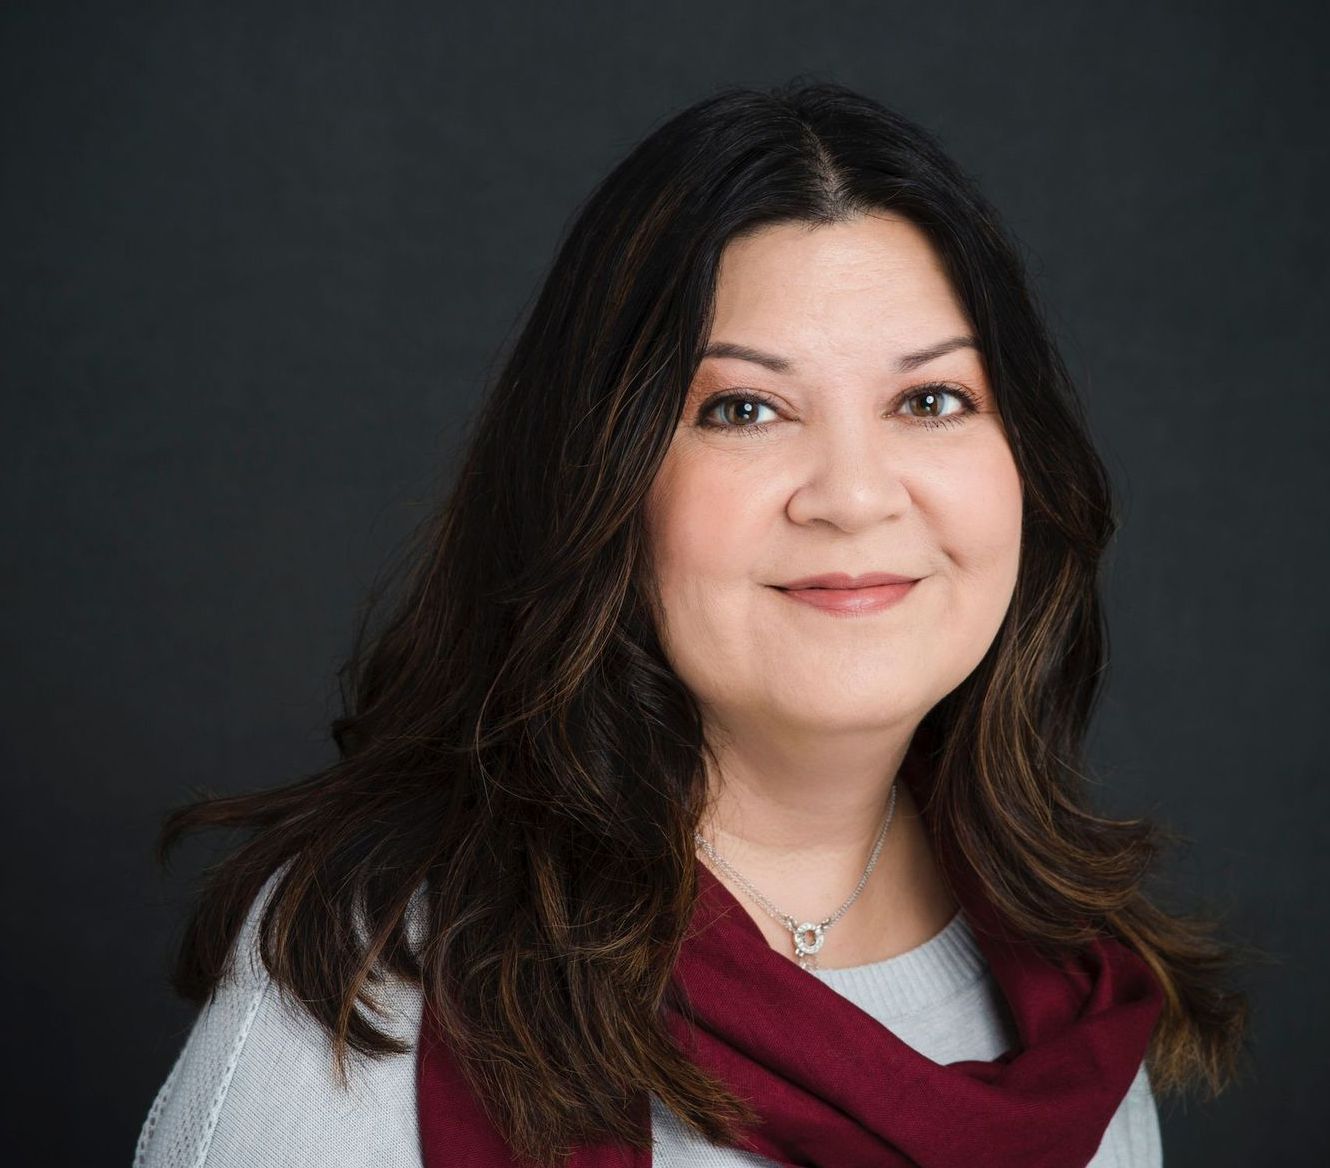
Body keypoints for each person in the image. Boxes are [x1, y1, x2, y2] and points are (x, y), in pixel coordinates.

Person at [134, 79, 1255, 1168]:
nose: (853, 495)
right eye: (744, 409)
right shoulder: (375, 968)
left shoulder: (1077, 1000)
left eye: (931, 400)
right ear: (601, 479)